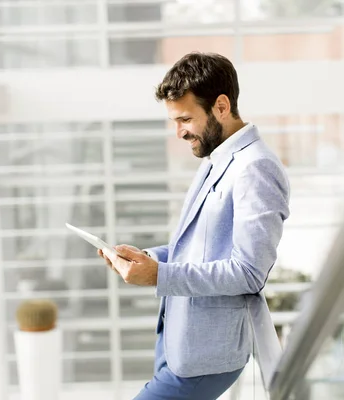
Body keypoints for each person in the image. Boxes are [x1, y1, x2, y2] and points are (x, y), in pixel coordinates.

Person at [98, 52, 290, 400]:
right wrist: (145, 258)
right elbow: (197, 248)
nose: (179, 132)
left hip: (207, 356)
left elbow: (249, 272)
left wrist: (159, 276)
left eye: (185, 119)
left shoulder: (256, 168)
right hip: (178, 342)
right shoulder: (215, 159)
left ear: (221, 106)